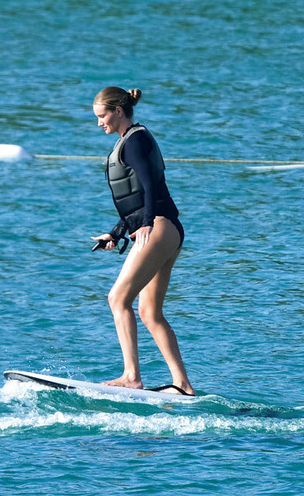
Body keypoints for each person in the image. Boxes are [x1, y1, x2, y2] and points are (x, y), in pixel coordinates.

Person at [91, 87, 194, 396]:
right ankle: (183, 385)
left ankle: (131, 376)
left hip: (159, 227)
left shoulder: (135, 140)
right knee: (150, 312)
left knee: (117, 299)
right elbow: (137, 201)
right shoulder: (135, 138)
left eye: (102, 116)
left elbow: (150, 185)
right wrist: (116, 233)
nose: (100, 123)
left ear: (119, 111)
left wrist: (147, 223)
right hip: (169, 229)